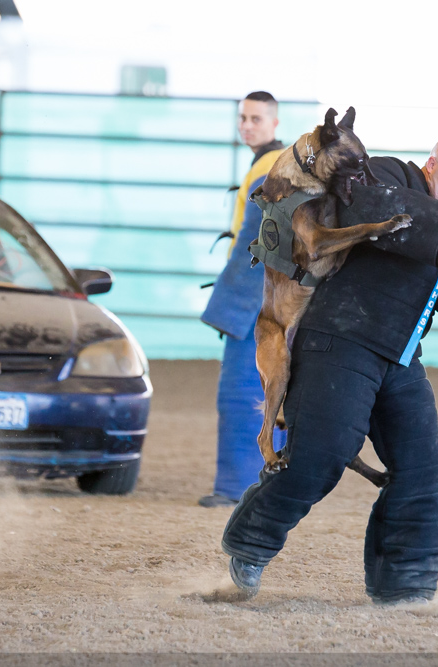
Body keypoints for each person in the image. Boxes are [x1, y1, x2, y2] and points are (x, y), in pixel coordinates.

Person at [221, 134, 438, 603]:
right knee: (320, 456)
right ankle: (250, 544)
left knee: (423, 471)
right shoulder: (383, 175)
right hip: (337, 341)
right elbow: (363, 205)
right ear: (431, 165)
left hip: (400, 356)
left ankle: (404, 584)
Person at [199, 92, 288, 508]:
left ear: (274, 123)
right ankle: (272, 485)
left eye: (256, 119)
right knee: (274, 394)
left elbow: (258, 242)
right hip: (278, 302)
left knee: (242, 395)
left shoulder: (269, 169)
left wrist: (230, 306)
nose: (246, 126)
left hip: (256, 305)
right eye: (243, 118)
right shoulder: (274, 163)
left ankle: (238, 488)